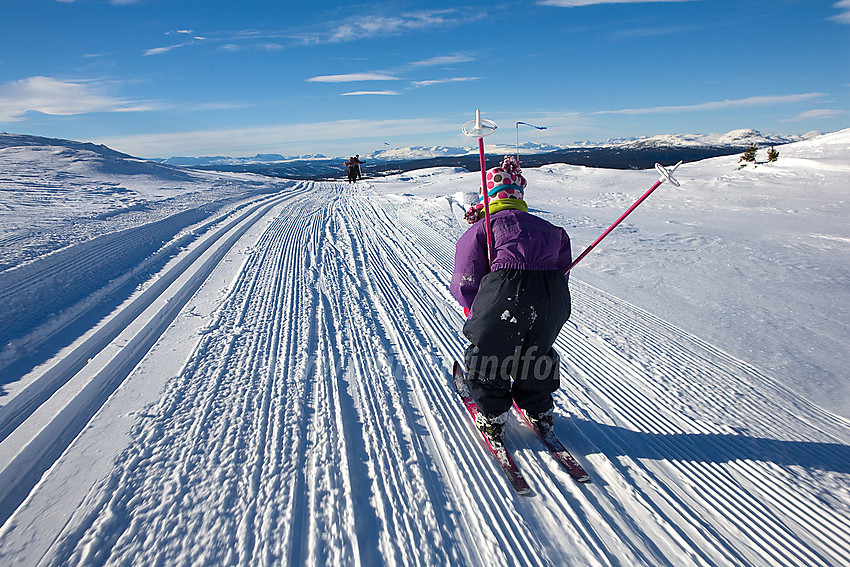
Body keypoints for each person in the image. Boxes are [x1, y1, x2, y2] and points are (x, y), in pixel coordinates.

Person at [449, 156, 572, 441]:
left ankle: (492, 416)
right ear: (519, 197)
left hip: (503, 295)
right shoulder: (552, 230)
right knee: (536, 351)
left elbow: (466, 275)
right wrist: (550, 303)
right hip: (551, 298)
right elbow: (562, 270)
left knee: (490, 353)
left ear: (488, 198)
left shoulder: (483, 229)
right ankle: (538, 410)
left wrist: (473, 307)